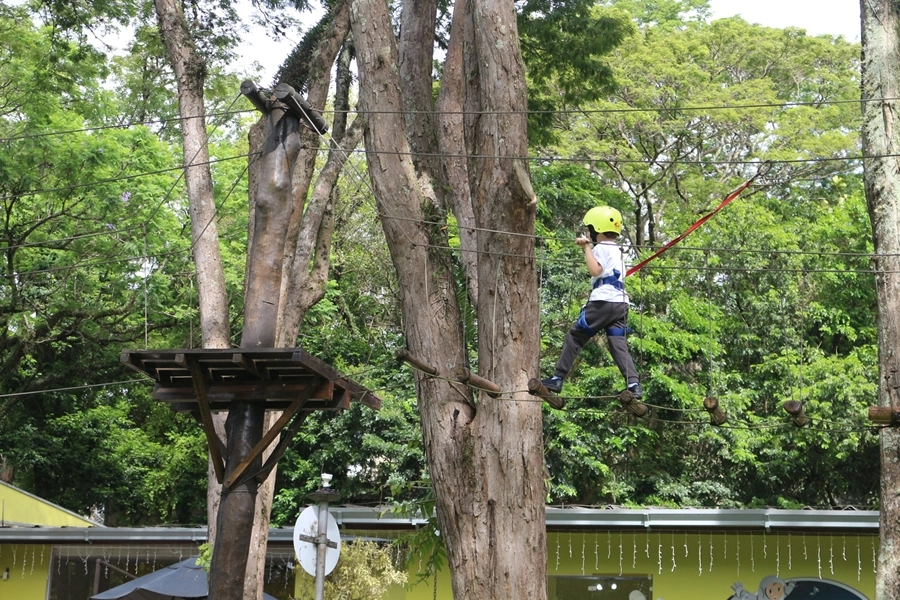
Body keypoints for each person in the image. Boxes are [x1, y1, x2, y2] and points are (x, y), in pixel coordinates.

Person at [542, 206, 642, 398]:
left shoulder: (601, 248)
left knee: (576, 336)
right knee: (617, 343)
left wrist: (587, 248)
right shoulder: (617, 250)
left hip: (603, 302)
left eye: (589, 229)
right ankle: (634, 384)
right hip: (620, 305)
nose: (588, 233)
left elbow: (595, 271)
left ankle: (558, 378)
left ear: (597, 229)